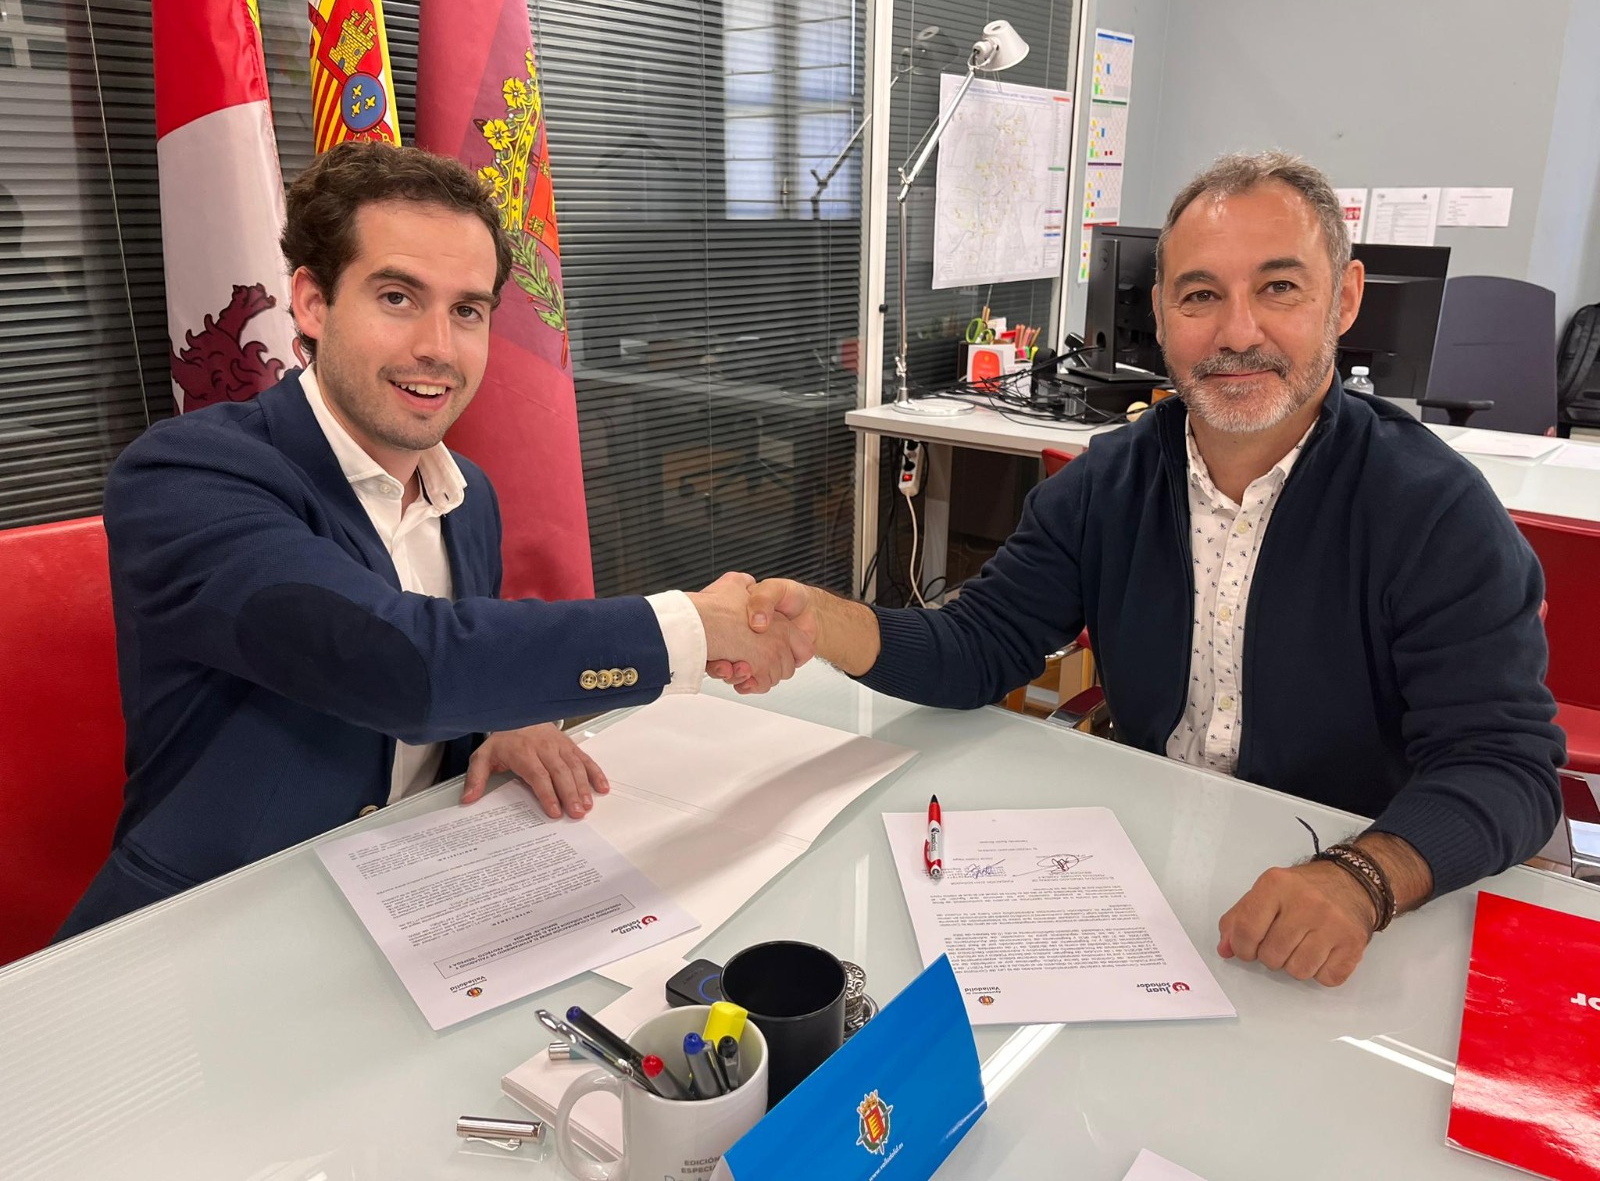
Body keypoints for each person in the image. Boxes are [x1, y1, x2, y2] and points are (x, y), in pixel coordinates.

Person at [730, 151, 1564, 987]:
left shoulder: (1433, 511)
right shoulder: (1107, 484)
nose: (1238, 332)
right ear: (1161, 315)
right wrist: (821, 622)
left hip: (1352, 898)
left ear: (1344, 299)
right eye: (1200, 296)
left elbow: (1506, 767)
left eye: (1279, 288)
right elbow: (981, 646)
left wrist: (1364, 877)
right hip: (1147, 869)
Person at [58, 143, 807, 938]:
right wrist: (694, 627)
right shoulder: (186, 477)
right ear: (312, 304)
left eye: (468, 311)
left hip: (417, 894)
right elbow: (397, 664)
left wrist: (506, 714)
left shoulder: (469, 496)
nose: (439, 348)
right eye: (397, 297)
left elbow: (461, 667)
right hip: (208, 928)